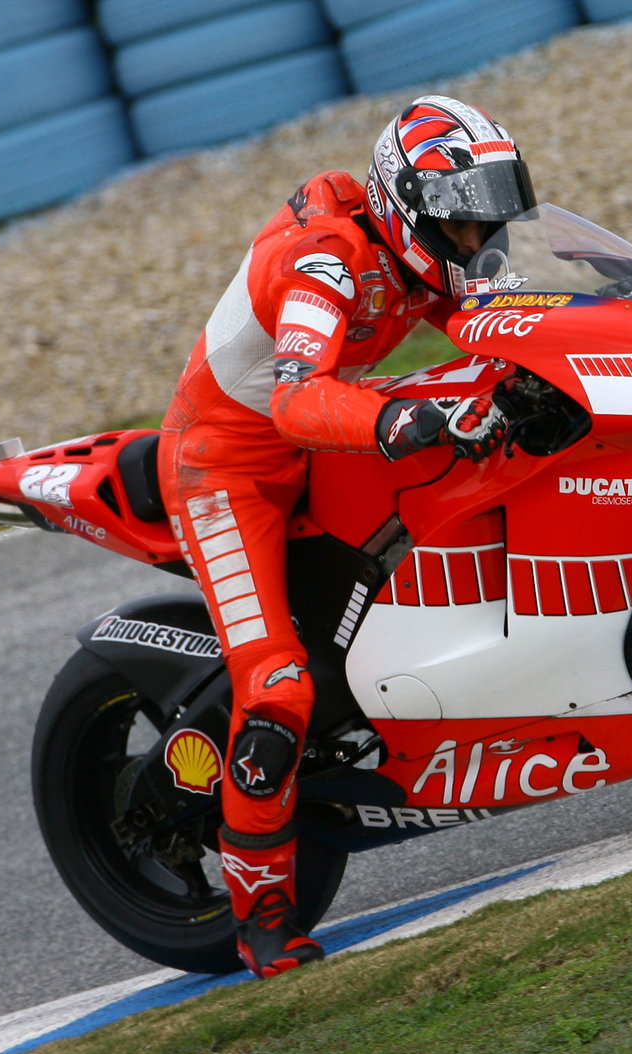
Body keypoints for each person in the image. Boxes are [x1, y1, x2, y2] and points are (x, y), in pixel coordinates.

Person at [157, 95, 531, 978]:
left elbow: (505, 326)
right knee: (280, 687)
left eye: (489, 216)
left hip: (313, 451)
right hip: (227, 471)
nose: (482, 239)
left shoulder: (425, 256)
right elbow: (294, 396)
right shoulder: (327, 263)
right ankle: (261, 909)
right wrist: (399, 418)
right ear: (412, 208)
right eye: (466, 219)